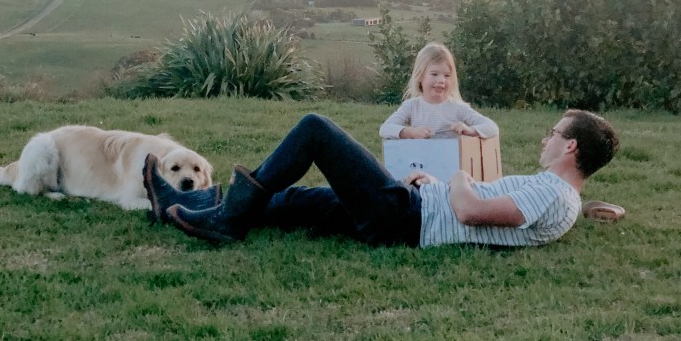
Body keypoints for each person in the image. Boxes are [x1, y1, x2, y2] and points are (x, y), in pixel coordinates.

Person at [143, 108, 619, 249]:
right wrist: (601, 208)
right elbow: (529, 211)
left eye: (554, 133)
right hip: (411, 210)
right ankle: (193, 205)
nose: (546, 138)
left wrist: (455, 177)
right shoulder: (563, 197)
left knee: (315, 130)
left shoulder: (551, 191)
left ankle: (229, 220)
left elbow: (471, 211)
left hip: (404, 218)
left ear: (571, 148)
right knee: (300, 201)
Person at [379, 42, 499, 140]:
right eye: (434, 74)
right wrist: (410, 132)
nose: (441, 80)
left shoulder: (458, 108)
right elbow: (385, 129)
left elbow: (492, 128)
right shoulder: (412, 106)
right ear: (420, 76)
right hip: (421, 160)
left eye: (447, 75)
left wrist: (470, 130)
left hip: (451, 161)